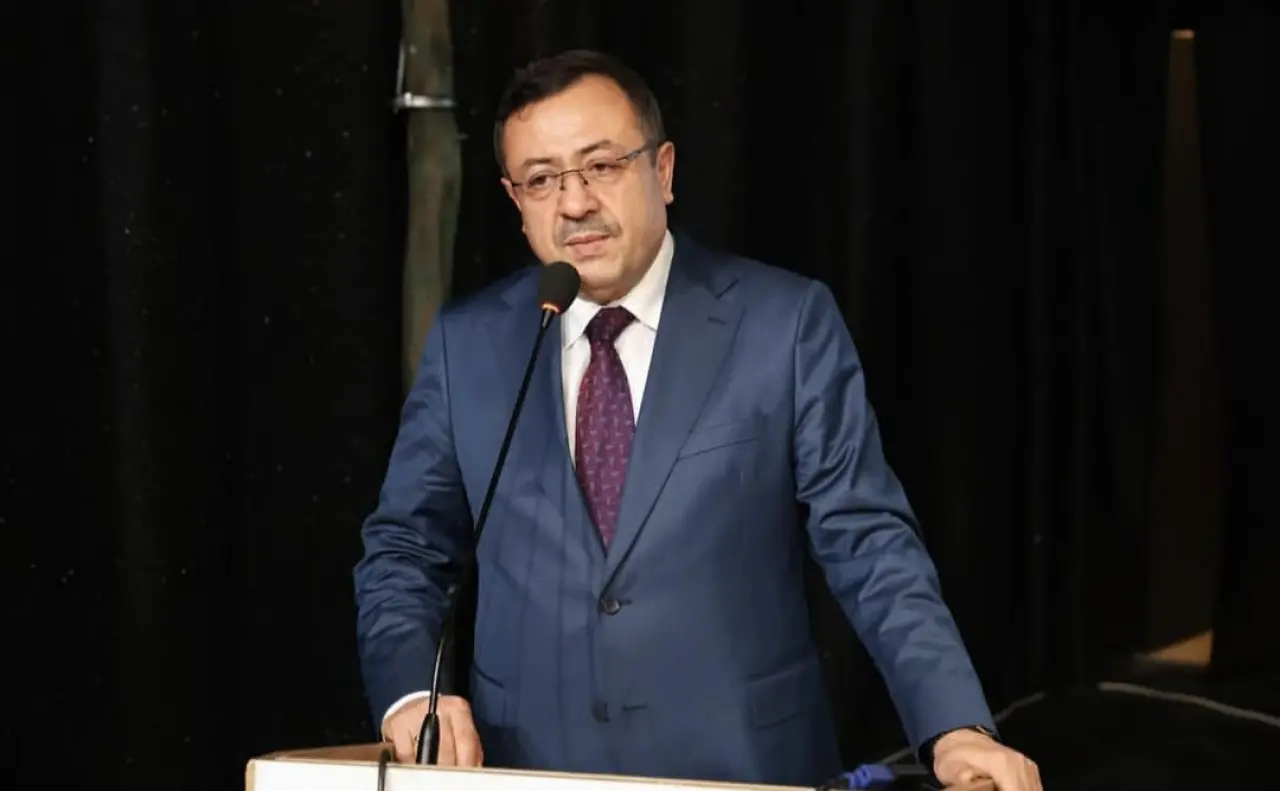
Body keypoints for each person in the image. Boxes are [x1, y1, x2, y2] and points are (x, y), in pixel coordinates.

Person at [354, 49, 1042, 791]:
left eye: (601, 165)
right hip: (528, 766)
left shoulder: (782, 324)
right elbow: (405, 548)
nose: (574, 203)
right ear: (515, 201)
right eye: (542, 179)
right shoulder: (469, 344)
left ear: (664, 170)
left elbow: (869, 541)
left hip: (742, 767)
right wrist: (409, 693)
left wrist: (953, 724)